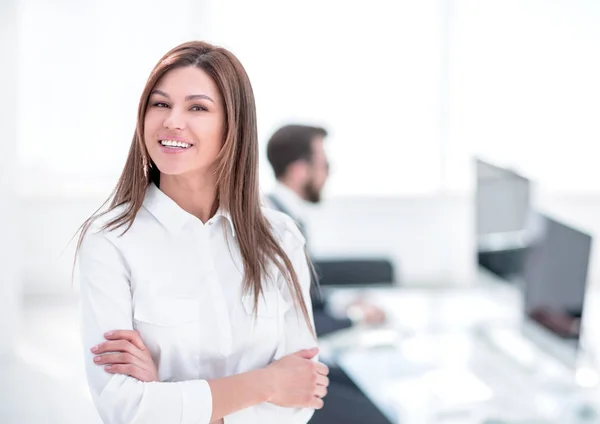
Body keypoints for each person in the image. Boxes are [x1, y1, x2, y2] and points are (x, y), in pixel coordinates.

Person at [75, 41, 329, 424]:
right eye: (160, 104)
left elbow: (300, 396)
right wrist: (268, 383)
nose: (172, 121)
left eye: (197, 107)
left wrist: (170, 396)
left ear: (234, 124)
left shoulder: (280, 236)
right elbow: (124, 408)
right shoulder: (110, 241)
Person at [265, 125, 391, 424]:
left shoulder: (287, 215)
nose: (328, 174)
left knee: (375, 394)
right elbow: (289, 323)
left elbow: (303, 297)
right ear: (299, 171)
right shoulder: (275, 226)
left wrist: (344, 306)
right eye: (325, 165)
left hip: (300, 362)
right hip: (283, 375)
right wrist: (356, 318)